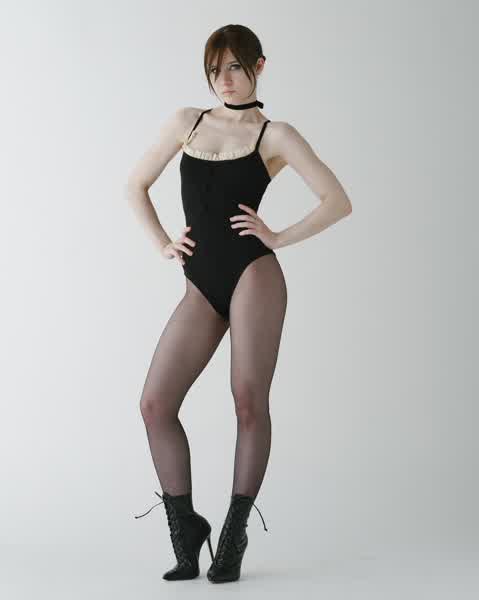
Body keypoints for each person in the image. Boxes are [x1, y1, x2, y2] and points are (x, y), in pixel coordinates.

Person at [126, 24, 352, 584]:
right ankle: (186, 530)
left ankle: (234, 532)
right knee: (155, 404)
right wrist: (162, 243)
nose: (223, 79)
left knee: (248, 401)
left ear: (259, 67)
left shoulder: (275, 134)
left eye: (233, 67)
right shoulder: (186, 122)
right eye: (214, 69)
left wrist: (278, 237)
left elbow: (337, 200)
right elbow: (135, 185)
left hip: (254, 274)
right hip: (200, 283)